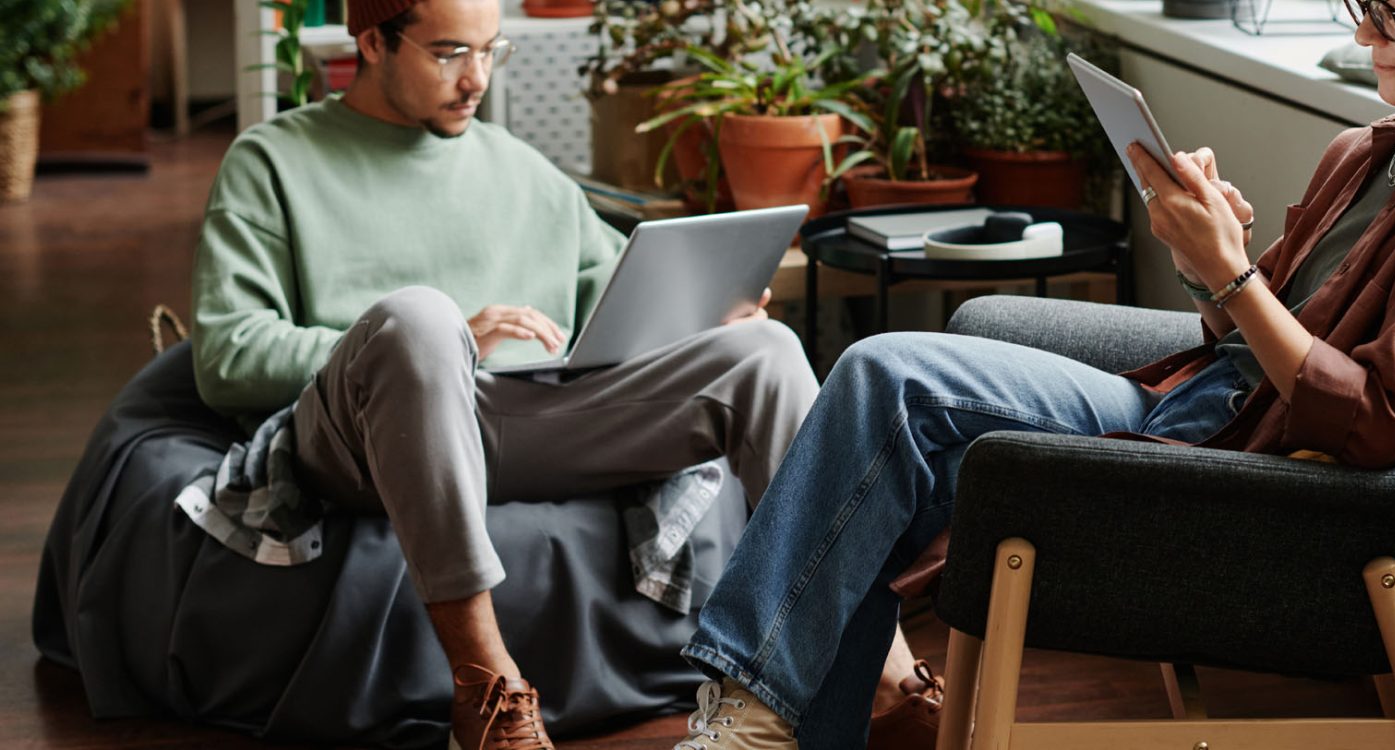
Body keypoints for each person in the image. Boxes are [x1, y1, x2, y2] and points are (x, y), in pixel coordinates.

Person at [668, 0, 1395, 745]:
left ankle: (748, 716)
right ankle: (775, 726)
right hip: (1198, 403)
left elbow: (1372, 425)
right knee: (880, 468)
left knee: (884, 377)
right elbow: (1257, 324)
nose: (1361, 34)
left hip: (1249, 478)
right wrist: (1210, 258)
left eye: (1390, 14)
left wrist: (1232, 271)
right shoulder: (1382, 146)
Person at [188, 0, 937, 746]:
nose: (476, 77)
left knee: (765, 350)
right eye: (450, 52)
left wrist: (708, 315)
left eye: (492, 51)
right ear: (372, 41)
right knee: (421, 318)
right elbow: (226, 356)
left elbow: (627, 303)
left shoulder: (519, 168)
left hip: (527, 420)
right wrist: (453, 337)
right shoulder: (272, 160)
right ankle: (488, 688)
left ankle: (884, 676)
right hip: (361, 431)